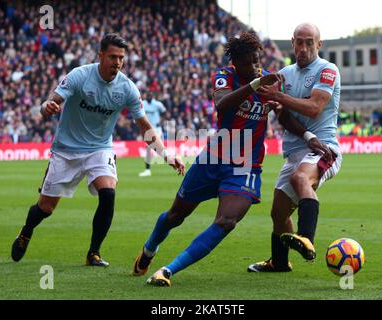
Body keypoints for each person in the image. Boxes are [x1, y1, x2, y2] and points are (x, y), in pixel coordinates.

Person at [132, 31, 330, 286]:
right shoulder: (226, 76)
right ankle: (149, 250)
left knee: (226, 221)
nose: (255, 66)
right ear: (235, 62)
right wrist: (255, 86)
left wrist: (306, 134)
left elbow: (282, 117)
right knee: (175, 216)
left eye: (257, 60)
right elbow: (221, 104)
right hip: (213, 159)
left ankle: (168, 270)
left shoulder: (266, 80)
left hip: (245, 166)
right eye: (249, 62)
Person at [10, 33, 185, 267]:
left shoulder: (127, 88)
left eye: (121, 58)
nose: (117, 62)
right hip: (66, 150)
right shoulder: (79, 76)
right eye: (112, 56)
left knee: (108, 193)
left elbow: (145, 127)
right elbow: (50, 103)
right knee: (46, 208)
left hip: (99, 149)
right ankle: (26, 231)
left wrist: (166, 154)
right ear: (100, 55)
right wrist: (47, 107)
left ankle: (93, 253)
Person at [248, 23, 343, 273]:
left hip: (324, 148)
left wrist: (278, 97)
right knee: (278, 213)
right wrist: (305, 131)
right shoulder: (284, 74)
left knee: (301, 178)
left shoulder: (327, 70)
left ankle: (307, 238)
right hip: (297, 149)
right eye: (299, 42)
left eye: (309, 42)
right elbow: (285, 118)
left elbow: (314, 107)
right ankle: (279, 263)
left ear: (319, 45)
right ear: (292, 43)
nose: (303, 47)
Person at [139, 91, 166, 177]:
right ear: (146, 96)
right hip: (148, 129)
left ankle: (170, 161)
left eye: (150, 95)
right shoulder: (143, 104)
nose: (149, 97)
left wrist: (161, 121)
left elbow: (164, 112)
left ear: (153, 96)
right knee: (148, 148)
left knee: (159, 148)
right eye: (148, 95)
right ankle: (147, 170)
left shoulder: (158, 104)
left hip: (157, 128)